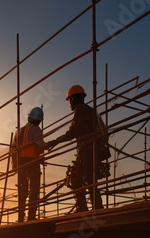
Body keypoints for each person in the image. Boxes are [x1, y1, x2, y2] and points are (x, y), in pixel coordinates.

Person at [47, 85, 110, 213]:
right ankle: (98, 208)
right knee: (91, 180)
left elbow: (73, 132)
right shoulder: (91, 111)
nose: (69, 103)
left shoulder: (80, 110)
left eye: (69, 100)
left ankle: (81, 208)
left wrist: (55, 141)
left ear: (74, 99)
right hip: (96, 150)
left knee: (75, 178)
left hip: (87, 149)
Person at [11, 107, 49, 222]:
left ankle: (20, 217)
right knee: (34, 190)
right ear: (38, 120)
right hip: (32, 162)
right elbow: (41, 145)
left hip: (21, 164)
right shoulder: (35, 129)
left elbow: (13, 149)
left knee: (23, 191)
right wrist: (50, 144)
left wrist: (15, 166)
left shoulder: (20, 131)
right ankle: (31, 216)